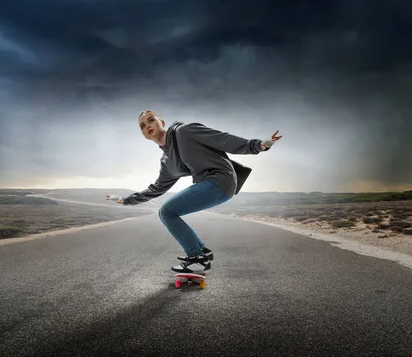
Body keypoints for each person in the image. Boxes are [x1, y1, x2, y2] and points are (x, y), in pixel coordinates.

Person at [106, 110, 282, 274]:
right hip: (210, 185)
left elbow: (223, 139)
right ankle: (201, 252)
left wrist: (258, 145)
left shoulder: (185, 131)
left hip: (220, 179)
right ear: (143, 134)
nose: (147, 126)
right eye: (142, 126)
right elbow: (157, 188)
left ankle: (197, 259)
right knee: (167, 212)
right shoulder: (167, 161)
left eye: (151, 120)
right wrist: (127, 200)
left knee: (167, 211)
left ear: (162, 122)